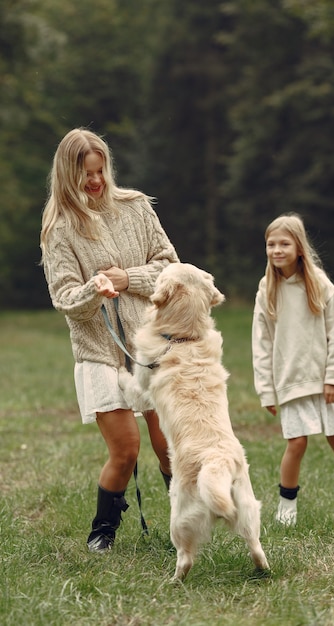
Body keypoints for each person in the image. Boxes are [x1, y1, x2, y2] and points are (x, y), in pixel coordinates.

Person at [40, 128, 179, 552]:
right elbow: (64, 299)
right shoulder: (59, 230)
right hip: (99, 352)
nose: (96, 181)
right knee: (126, 449)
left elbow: (170, 266)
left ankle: (184, 523)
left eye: (100, 171)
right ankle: (103, 532)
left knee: (169, 444)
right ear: (68, 175)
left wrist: (127, 278)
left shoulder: (135, 207)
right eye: (86, 174)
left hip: (148, 347)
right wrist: (92, 290)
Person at [252, 213, 334, 526]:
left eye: (284, 244)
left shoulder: (320, 285)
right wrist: (266, 389)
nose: (276, 250)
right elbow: (260, 345)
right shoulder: (266, 290)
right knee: (296, 443)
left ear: (299, 247)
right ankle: (287, 506)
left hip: (326, 382)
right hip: (290, 381)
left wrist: (333, 379)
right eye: (271, 244)